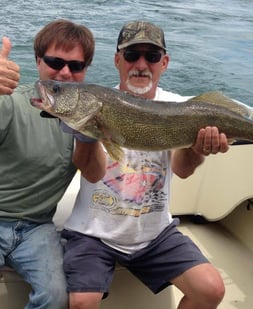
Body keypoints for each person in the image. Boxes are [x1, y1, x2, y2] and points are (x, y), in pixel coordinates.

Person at [62, 21, 229, 309]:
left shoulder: (181, 108)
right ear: (117, 60)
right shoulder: (96, 103)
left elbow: (183, 169)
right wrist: (87, 134)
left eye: (151, 57)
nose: (141, 64)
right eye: (131, 55)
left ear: (164, 63)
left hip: (154, 234)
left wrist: (198, 149)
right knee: (81, 302)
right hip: (94, 232)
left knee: (211, 289)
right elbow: (90, 172)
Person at [0, 20, 105, 309]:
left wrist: (89, 136)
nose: (65, 72)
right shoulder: (10, 103)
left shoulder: (88, 115)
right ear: (37, 61)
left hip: (38, 226)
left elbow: (95, 173)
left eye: (76, 66)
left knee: (56, 297)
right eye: (55, 61)